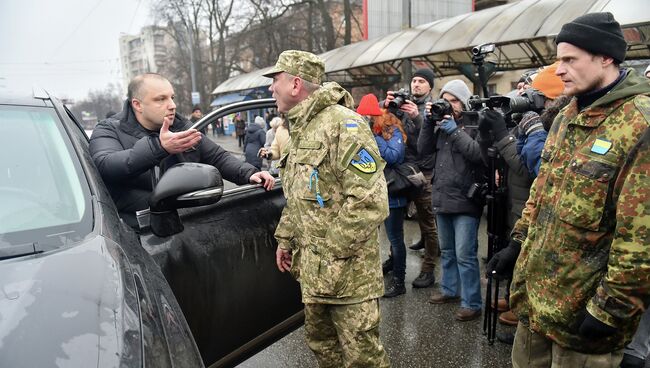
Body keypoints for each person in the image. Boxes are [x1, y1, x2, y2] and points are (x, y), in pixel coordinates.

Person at [486, 12, 650, 367]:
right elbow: (542, 191)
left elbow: (641, 237)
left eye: (569, 59)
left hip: (585, 317)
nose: (558, 70)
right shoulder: (567, 115)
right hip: (538, 305)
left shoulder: (640, 123)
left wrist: (611, 309)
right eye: (560, 59)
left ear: (605, 57)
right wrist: (517, 243)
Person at [267, 50, 390, 368]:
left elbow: (369, 202)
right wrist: (285, 238)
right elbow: (300, 193)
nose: (271, 89)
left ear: (295, 84)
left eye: (275, 81)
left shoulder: (344, 124)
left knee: (363, 360)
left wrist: (328, 254)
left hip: (348, 278)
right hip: (315, 275)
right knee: (324, 348)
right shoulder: (300, 128)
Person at [89, 73, 274, 228]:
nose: (172, 105)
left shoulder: (182, 127)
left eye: (172, 97)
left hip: (187, 222)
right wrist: (158, 147)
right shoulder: (109, 129)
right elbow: (106, 165)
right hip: (137, 231)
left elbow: (217, 157)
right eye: (161, 99)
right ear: (137, 105)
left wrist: (249, 173)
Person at [420, 79, 484, 322]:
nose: (448, 105)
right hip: (442, 195)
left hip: (466, 200)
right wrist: (428, 123)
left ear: (464, 102)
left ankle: (472, 303)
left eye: (454, 100)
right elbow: (423, 150)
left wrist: (454, 131)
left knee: (465, 255)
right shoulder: (438, 125)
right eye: (445, 100)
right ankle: (449, 289)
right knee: (447, 251)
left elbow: (478, 155)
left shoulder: (474, 124)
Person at [382, 68, 439, 290]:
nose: (416, 84)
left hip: (422, 173)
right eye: (414, 80)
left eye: (422, 81)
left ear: (430, 87)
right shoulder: (400, 104)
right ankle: (394, 258)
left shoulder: (432, 109)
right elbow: (384, 126)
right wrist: (386, 106)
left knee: (427, 223)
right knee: (395, 219)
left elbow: (430, 141)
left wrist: (418, 117)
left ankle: (428, 269)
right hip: (401, 170)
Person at [373, 109, 408, 298]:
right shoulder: (379, 134)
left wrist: (375, 139)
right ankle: (391, 267)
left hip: (392, 193)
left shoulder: (393, 133)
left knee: (395, 238)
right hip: (376, 192)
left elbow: (394, 157)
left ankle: (399, 280)